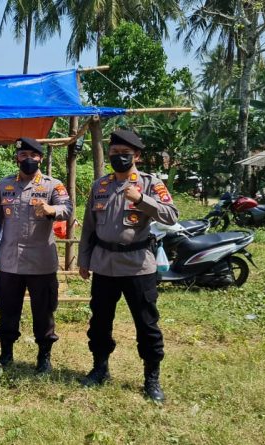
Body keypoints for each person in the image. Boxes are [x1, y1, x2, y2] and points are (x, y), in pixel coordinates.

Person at [78, 129, 178, 403]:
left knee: (146, 324)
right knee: (99, 322)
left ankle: (151, 378)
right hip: (104, 266)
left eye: (125, 155)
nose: (119, 158)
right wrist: (84, 260)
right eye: (114, 154)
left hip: (138, 267)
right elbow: (89, 226)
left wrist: (141, 199)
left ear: (137, 156)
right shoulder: (100, 186)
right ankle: (100, 368)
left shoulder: (149, 183)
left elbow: (171, 215)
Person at [0, 137, 72, 373]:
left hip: (41, 263)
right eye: (23, 156)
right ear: (17, 158)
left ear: (40, 158)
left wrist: (52, 210)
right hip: (10, 262)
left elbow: (67, 209)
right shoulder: (3, 185)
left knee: (43, 311)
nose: (28, 160)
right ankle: (6, 353)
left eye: (33, 156)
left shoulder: (52, 185)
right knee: (8, 310)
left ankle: (44, 356)